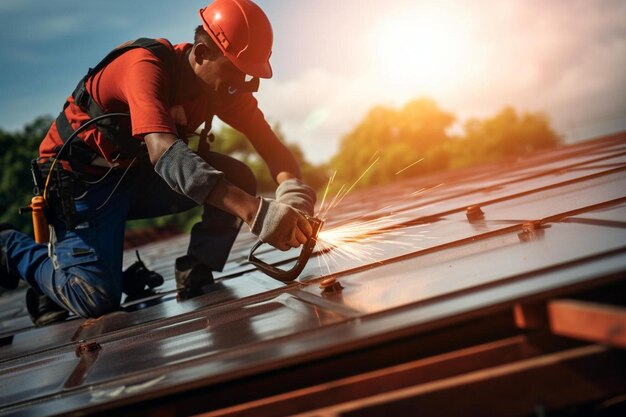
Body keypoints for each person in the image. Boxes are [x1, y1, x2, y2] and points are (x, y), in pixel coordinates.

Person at [0, 0, 317, 325]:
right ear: (202, 53)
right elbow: (164, 152)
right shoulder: (144, 67)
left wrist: (293, 194)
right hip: (78, 186)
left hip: (132, 176)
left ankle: (196, 267)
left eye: (249, 77)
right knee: (96, 297)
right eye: (236, 72)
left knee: (238, 176)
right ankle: (10, 247)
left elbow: (272, 148)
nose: (243, 85)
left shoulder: (222, 89)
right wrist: (257, 214)